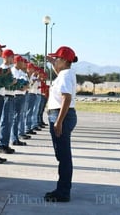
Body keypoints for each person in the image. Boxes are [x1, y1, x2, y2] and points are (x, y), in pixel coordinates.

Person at [44, 46, 78, 202]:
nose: (55, 60)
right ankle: (62, 189)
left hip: (61, 115)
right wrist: (53, 64)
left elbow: (66, 98)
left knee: (63, 156)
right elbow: (60, 76)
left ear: (64, 61)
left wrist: (58, 121)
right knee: (62, 154)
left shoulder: (65, 75)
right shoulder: (66, 73)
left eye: (57, 58)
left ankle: (63, 192)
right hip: (60, 114)